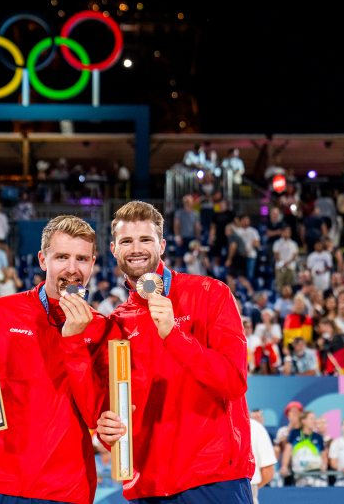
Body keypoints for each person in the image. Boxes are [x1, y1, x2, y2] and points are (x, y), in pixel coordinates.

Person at [0, 216, 120, 501]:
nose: (72, 269)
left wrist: (74, 341)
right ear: (43, 260)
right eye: (62, 257)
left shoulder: (103, 329)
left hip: (64, 488)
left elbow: (98, 415)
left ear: (92, 264)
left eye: (82, 259)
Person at [96, 202, 254, 503]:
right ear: (115, 249)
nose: (136, 248)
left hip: (213, 479)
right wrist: (108, 428)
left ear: (162, 245)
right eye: (127, 241)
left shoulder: (210, 293)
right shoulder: (116, 322)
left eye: (146, 239)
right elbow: (117, 410)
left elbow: (233, 383)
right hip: (148, 486)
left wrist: (174, 335)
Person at [279, 411, 327, 487]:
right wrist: (284, 466)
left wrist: (324, 465)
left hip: (315, 474)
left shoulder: (318, 437)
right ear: (303, 421)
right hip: (299, 475)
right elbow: (287, 451)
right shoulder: (294, 433)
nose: (314, 421)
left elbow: (323, 455)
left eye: (314, 419)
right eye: (311, 419)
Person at [250, 413, 277, 504]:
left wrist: (247, 489)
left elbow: (268, 470)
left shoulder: (255, 428)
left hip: (247, 490)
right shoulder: (208, 424)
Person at [173, 195, 201, 267]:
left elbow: (197, 227)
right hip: (181, 238)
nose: (186, 203)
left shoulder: (195, 214)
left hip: (192, 238)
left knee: (194, 254)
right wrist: (177, 237)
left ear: (192, 202)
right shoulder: (179, 213)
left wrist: (198, 239)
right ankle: (177, 273)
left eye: (188, 201)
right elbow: (176, 225)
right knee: (179, 257)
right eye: (185, 201)